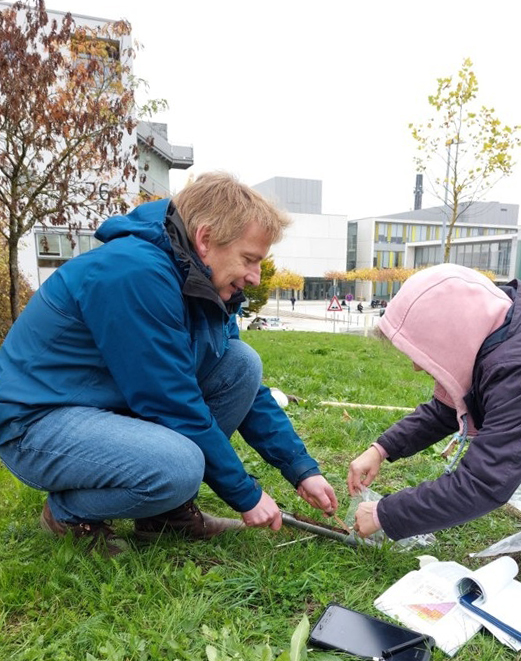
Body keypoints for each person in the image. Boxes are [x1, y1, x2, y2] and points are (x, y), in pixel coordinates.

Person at [0, 172, 337, 556]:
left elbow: (248, 394)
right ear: (205, 239)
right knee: (178, 466)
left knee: (241, 364)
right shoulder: (134, 273)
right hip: (36, 421)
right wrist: (246, 493)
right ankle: (67, 513)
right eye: (249, 259)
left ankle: (164, 515)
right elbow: (171, 401)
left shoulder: (202, 283)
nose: (255, 278)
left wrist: (300, 468)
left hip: (102, 406)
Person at [348, 264, 521, 592]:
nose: (416, 366)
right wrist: (381, 449)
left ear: (452, 336)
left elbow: (483, 484)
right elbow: (449, 407)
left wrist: (387, 514)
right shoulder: (506, 333)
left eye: (419, 350)